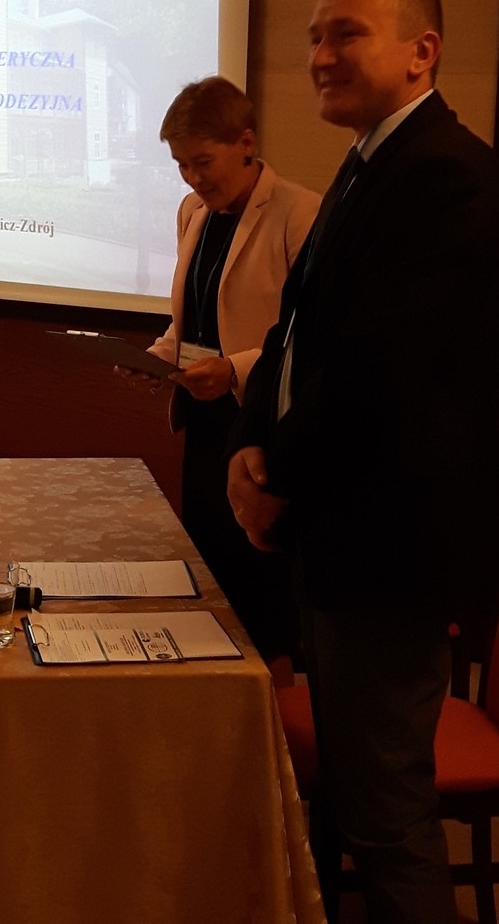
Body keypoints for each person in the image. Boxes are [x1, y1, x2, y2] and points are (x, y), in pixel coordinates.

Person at [226, 0, 499, 923]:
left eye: (345, 33)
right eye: (314, 36)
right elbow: (295, 333)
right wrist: (251, 442)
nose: (318, 56)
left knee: (384, 816)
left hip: (389, 553)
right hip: (340, 532)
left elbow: (380, 374)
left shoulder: (444, 175)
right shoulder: (366, 164)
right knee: (356, 798)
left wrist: (276, 473)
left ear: (420, 52)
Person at [116, 75, 319, 663]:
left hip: (262, 429)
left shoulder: (300, 214)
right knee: (212, 581)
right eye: (182, 165)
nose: (193, 179)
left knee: (262, 597)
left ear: (246, 142)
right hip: (205, 424)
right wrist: (161, 354)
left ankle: (267, 707)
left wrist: (234, 370)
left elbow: (308, 338)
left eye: (203, 162)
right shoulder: (193, 212)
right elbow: (195, 317)